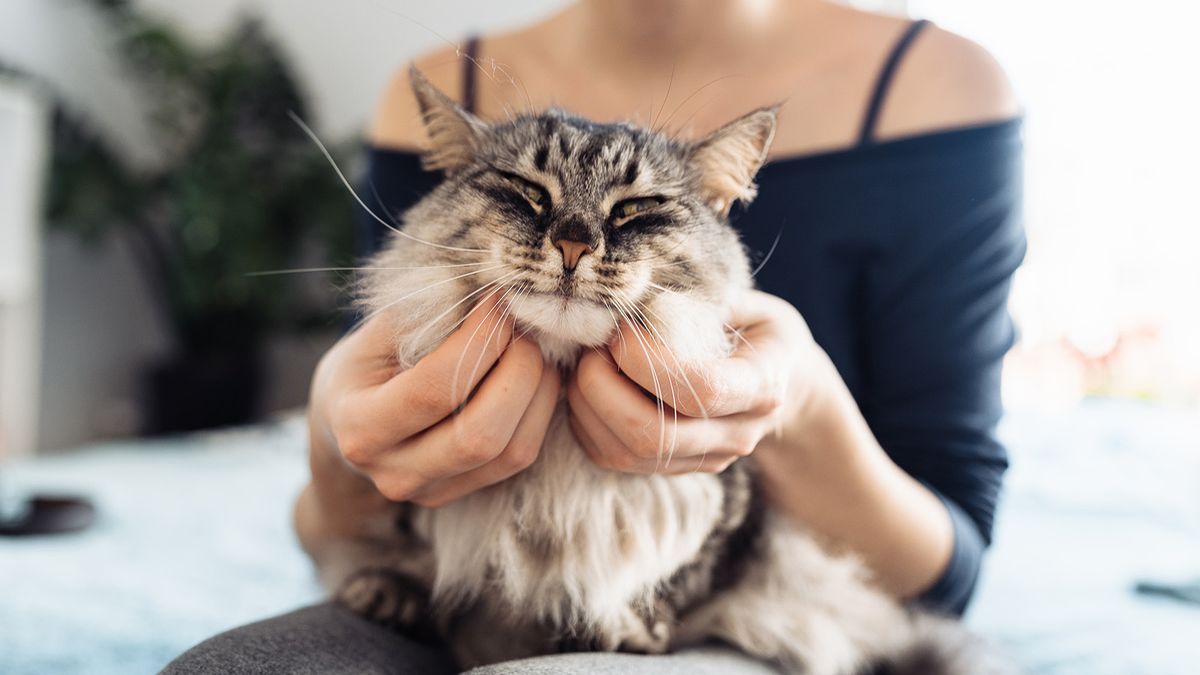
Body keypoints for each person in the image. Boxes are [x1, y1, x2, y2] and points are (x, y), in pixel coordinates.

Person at [164, 0, 1024, 672]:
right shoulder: (432, 87)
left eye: (637, 213)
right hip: (431, 592)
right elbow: (331, 523)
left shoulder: (943, 84)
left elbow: (949, 573)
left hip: (723, 611)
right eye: (526, 200)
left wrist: (794, 405)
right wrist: (334, 440)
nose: (573, 245)